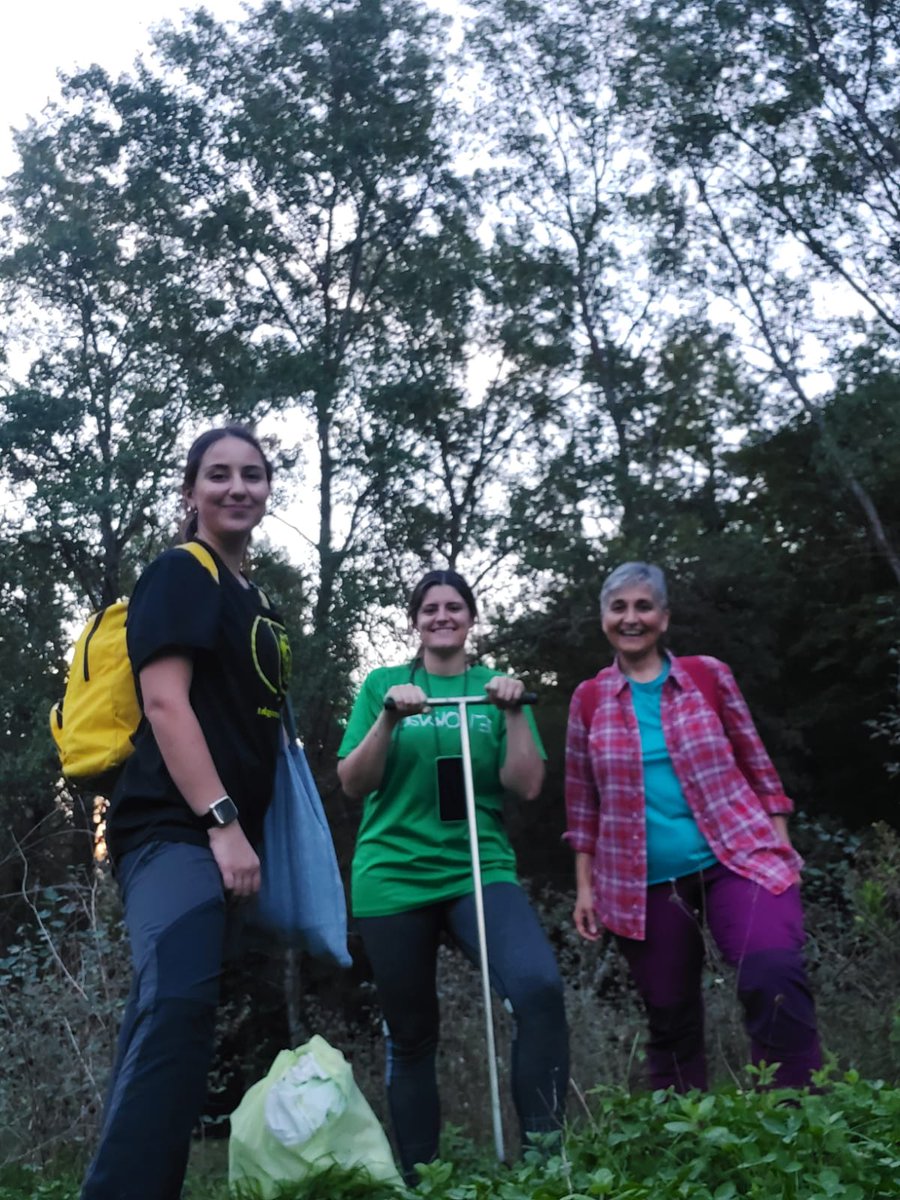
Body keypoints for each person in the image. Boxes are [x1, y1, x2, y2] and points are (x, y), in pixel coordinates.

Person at [82, 426, 290, 1200]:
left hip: (219, 831)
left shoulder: (252, 597)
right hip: (172, 828)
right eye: (219, 474)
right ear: (190, 490)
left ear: (268, 489)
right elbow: (166, 705)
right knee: (174, 1004)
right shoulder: (179, 573)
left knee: (173, 1016)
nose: (238, 487)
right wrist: (224, 821)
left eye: (253, 475)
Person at [337, 569, 568, 1180]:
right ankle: (424, 1181)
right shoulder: (383, 685)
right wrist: (388, 719)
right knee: (412, 1034)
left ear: (470, 618)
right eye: (430, 607)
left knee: (539, 989)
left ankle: (545, 1166)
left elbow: (527, 784)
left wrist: (516, 713)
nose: (442, 615)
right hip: (392, 877)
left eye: (454, 607)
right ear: (415, 620)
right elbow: (353, 783)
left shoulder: (496, 689)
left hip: (477, 869)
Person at [565, 561, 822, 1092]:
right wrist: (586, 888)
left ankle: (800, 1118)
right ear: (603, 618)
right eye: (619, 607)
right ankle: (686, 1139)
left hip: (739, 858)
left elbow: (758, 765)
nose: (631, 618)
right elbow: (582, 805)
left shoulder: (707, 675)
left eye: (643, 606)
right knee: (669, 1014)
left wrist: (782, 846)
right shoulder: (588, 700)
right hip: (642, 883)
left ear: (664, 615)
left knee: (772, 975)